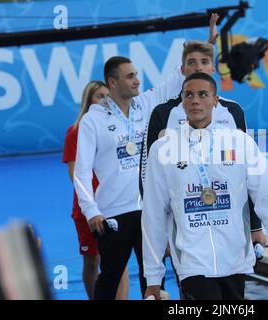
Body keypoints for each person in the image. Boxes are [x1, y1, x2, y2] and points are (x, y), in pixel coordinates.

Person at [142, 72, 268, 300]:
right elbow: (153, 214)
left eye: (203, 94)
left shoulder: (240, 142)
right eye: (189, 95)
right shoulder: (163, 149)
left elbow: (267, 194)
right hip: (192, 262)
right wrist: (153, 277)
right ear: (182, 101)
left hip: (235, 259)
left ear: (215, 101)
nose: (195, 100)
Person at [73, 58, 184, 299]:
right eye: (130, 76)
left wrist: (201, 48)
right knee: (111, 277)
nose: (137, 80)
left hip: (149, 210)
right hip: (114, 212)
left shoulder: (145, 104)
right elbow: (81, 171)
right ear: (112, 82)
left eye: (136, 74)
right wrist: (91, 211)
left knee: (154, 278)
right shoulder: (93, 121)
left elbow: (172, 82)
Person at [140, 40, 268, 246]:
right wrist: (158, 231)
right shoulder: (163, 113)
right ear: (182, 70)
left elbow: (250, 171)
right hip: (184, 220)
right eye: (191, 62)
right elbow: (147, 175)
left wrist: (255, 226)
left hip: (228, 217)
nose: (198, 67)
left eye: (204, 61)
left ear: (213, 68)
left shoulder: (233, 111)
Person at [63, 80, 129, 300]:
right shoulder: (75, 132)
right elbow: (75, 175)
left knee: (118, 259)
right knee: (92, 260)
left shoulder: (120, 128)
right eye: (99, 96)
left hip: (116, 202)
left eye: (107, 96)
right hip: (87, 208)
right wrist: (91, 206)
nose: (104, 100)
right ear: (88, 101)